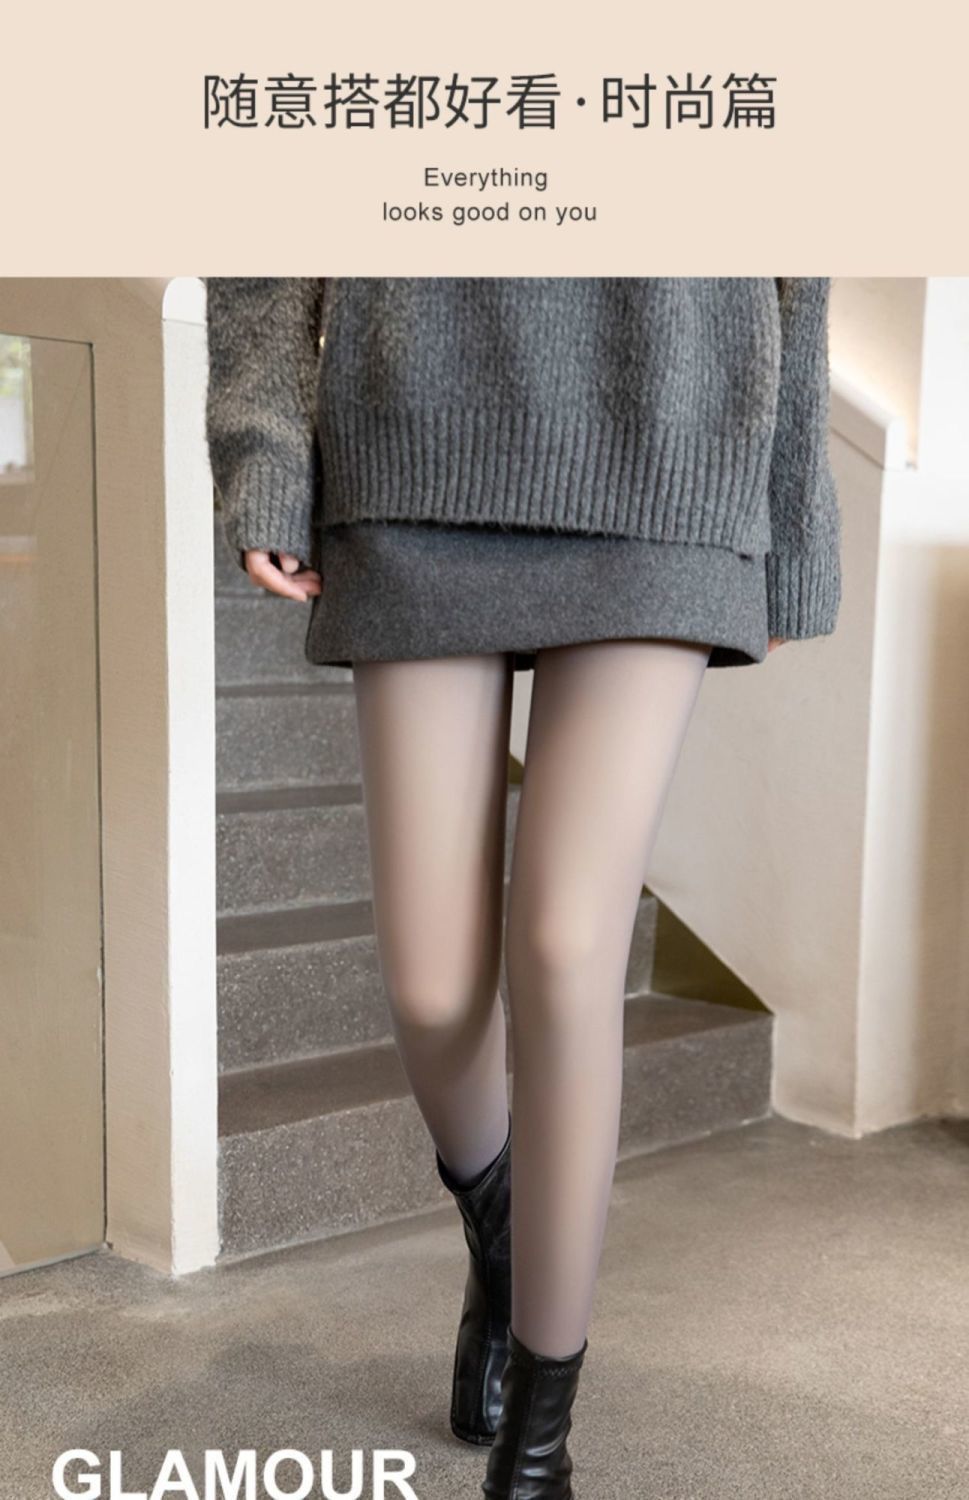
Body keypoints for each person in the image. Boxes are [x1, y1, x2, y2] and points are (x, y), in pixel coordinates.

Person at [204, 276, 842, 1499]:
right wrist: (267, 448)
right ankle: (503, 1230)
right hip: (413, 440)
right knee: (435, 995)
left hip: (673, 446)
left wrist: (793, 523)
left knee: (565, 950)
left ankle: (539, 1446)